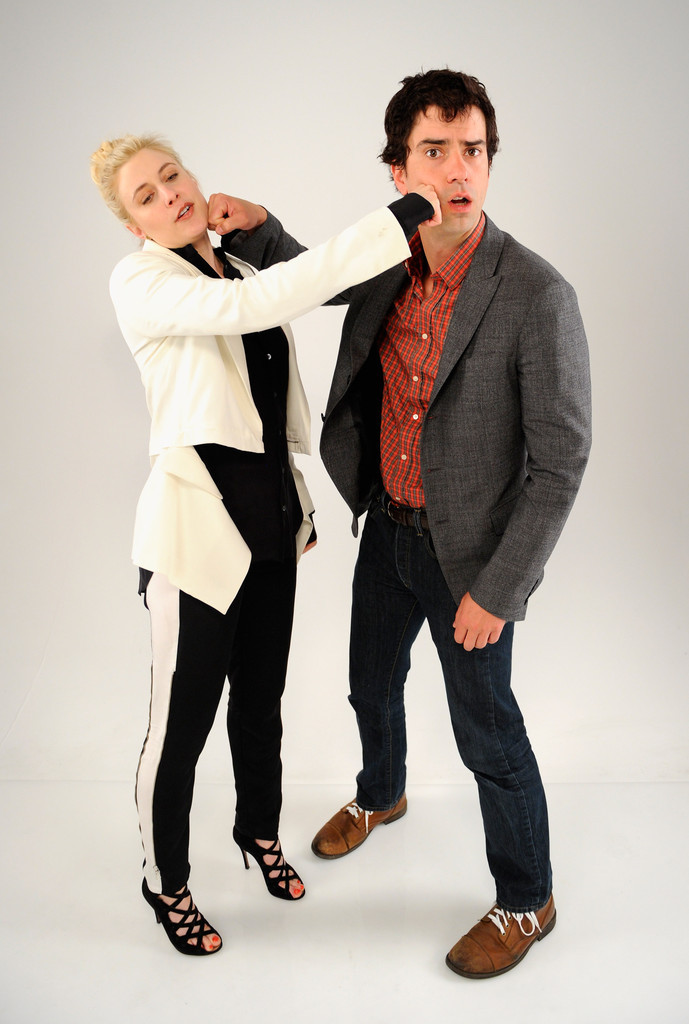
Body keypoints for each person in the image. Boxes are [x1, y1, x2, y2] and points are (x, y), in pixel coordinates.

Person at [225, 69, 592, 978]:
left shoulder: (536, 294)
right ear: (398, 171)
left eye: (473, 150)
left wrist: (499, 592)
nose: (457, 168)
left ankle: (527, 900)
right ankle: (380, 793)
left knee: (488, 739)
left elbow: (559, 464)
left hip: (471, 562)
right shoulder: (387, 260)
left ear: (488, 162)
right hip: (386, 532)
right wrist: (259, 226)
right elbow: (314, 276)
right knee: (368, 687)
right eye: (434, 150)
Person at [90, 134, 439, 956]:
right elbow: (273, 300)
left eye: (171, 174)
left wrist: (295, 510)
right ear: (134, 225)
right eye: (146, 196)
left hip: (270, 532)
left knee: (260, 705)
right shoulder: (142, 281)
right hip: (195, 543)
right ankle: (165, 882)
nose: (170, 194)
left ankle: (258, 832)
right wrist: (399, 216)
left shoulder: (241, 269)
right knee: (180, 727)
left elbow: (267, 396)